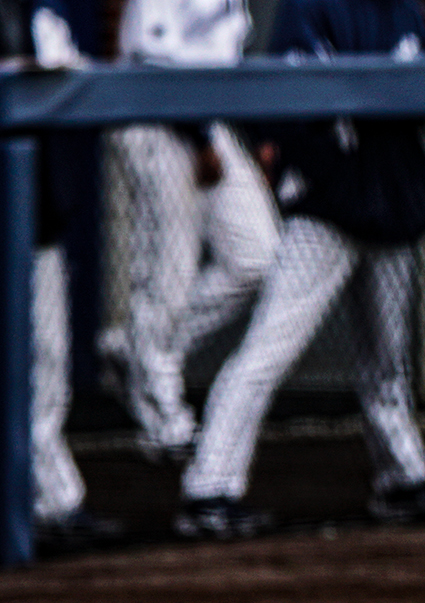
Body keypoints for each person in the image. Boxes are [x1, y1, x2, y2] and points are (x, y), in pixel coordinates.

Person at [173, 0, 425, 539]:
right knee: (267, 353)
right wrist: (330, 166)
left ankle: (403, 478)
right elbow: (294, 101)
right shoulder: (312, 7)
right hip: (327, 216)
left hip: (391, 212)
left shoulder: (413, 11)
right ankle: (209, 488)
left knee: (386, 365)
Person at [104, 0, 281, 463]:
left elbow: (228, 63)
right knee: (169, 277)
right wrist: (202, 140)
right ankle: (163, 421)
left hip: (206, 121)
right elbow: (153, 62)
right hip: (154, 118)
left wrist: (257, 135)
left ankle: (136, 351)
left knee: (257, 258)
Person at [2, 0, 120, 554]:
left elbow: (76, 75)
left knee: (48, 358)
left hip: (37, 221)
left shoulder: (40, 18)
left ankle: (54, 500)